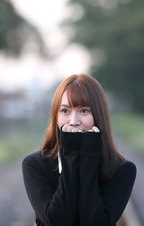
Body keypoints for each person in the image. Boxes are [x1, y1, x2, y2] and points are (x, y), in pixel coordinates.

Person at [22, 73, 136, 226]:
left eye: (84, 111)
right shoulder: (35, 165)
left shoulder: (122, 170)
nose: (74, 121)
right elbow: (57, 221)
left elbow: (96, 222)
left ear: (98, 116)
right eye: (65, 111)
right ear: (56, 117)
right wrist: (70, 154)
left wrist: (88, 157)